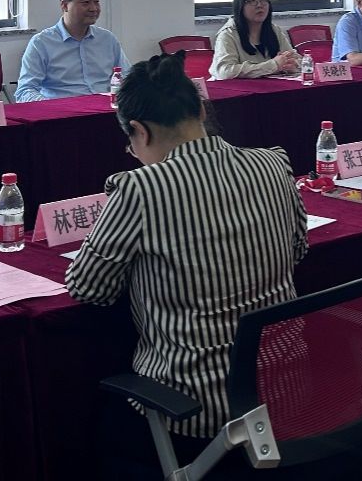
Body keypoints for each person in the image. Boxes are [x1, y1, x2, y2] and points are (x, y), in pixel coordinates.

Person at [65, 52, 307, 478]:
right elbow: (297, 249)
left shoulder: (139, 189)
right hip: (284, 388)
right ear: (201, 110)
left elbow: (89, 289)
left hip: (194, 410)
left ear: (139, 131)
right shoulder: (273, 164)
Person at [15, 0, 129, 101]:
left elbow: (128, 79)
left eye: (96, 1)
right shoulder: (41, 43)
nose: (93, 8)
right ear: (65, 5)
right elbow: (25, 91)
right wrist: (52, 106)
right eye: (86, 2)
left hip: (106, 108)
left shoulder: (107, 39)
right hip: (63, 110)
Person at [208, 0, 299, 80]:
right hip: (234, 89)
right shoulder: (228, 34)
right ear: (240, 6)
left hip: (267, 86)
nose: (259, 5)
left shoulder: (274, 30)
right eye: (252, 1)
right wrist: (273, 65)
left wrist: (293, 65)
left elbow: (297, 59)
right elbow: (225, 71)